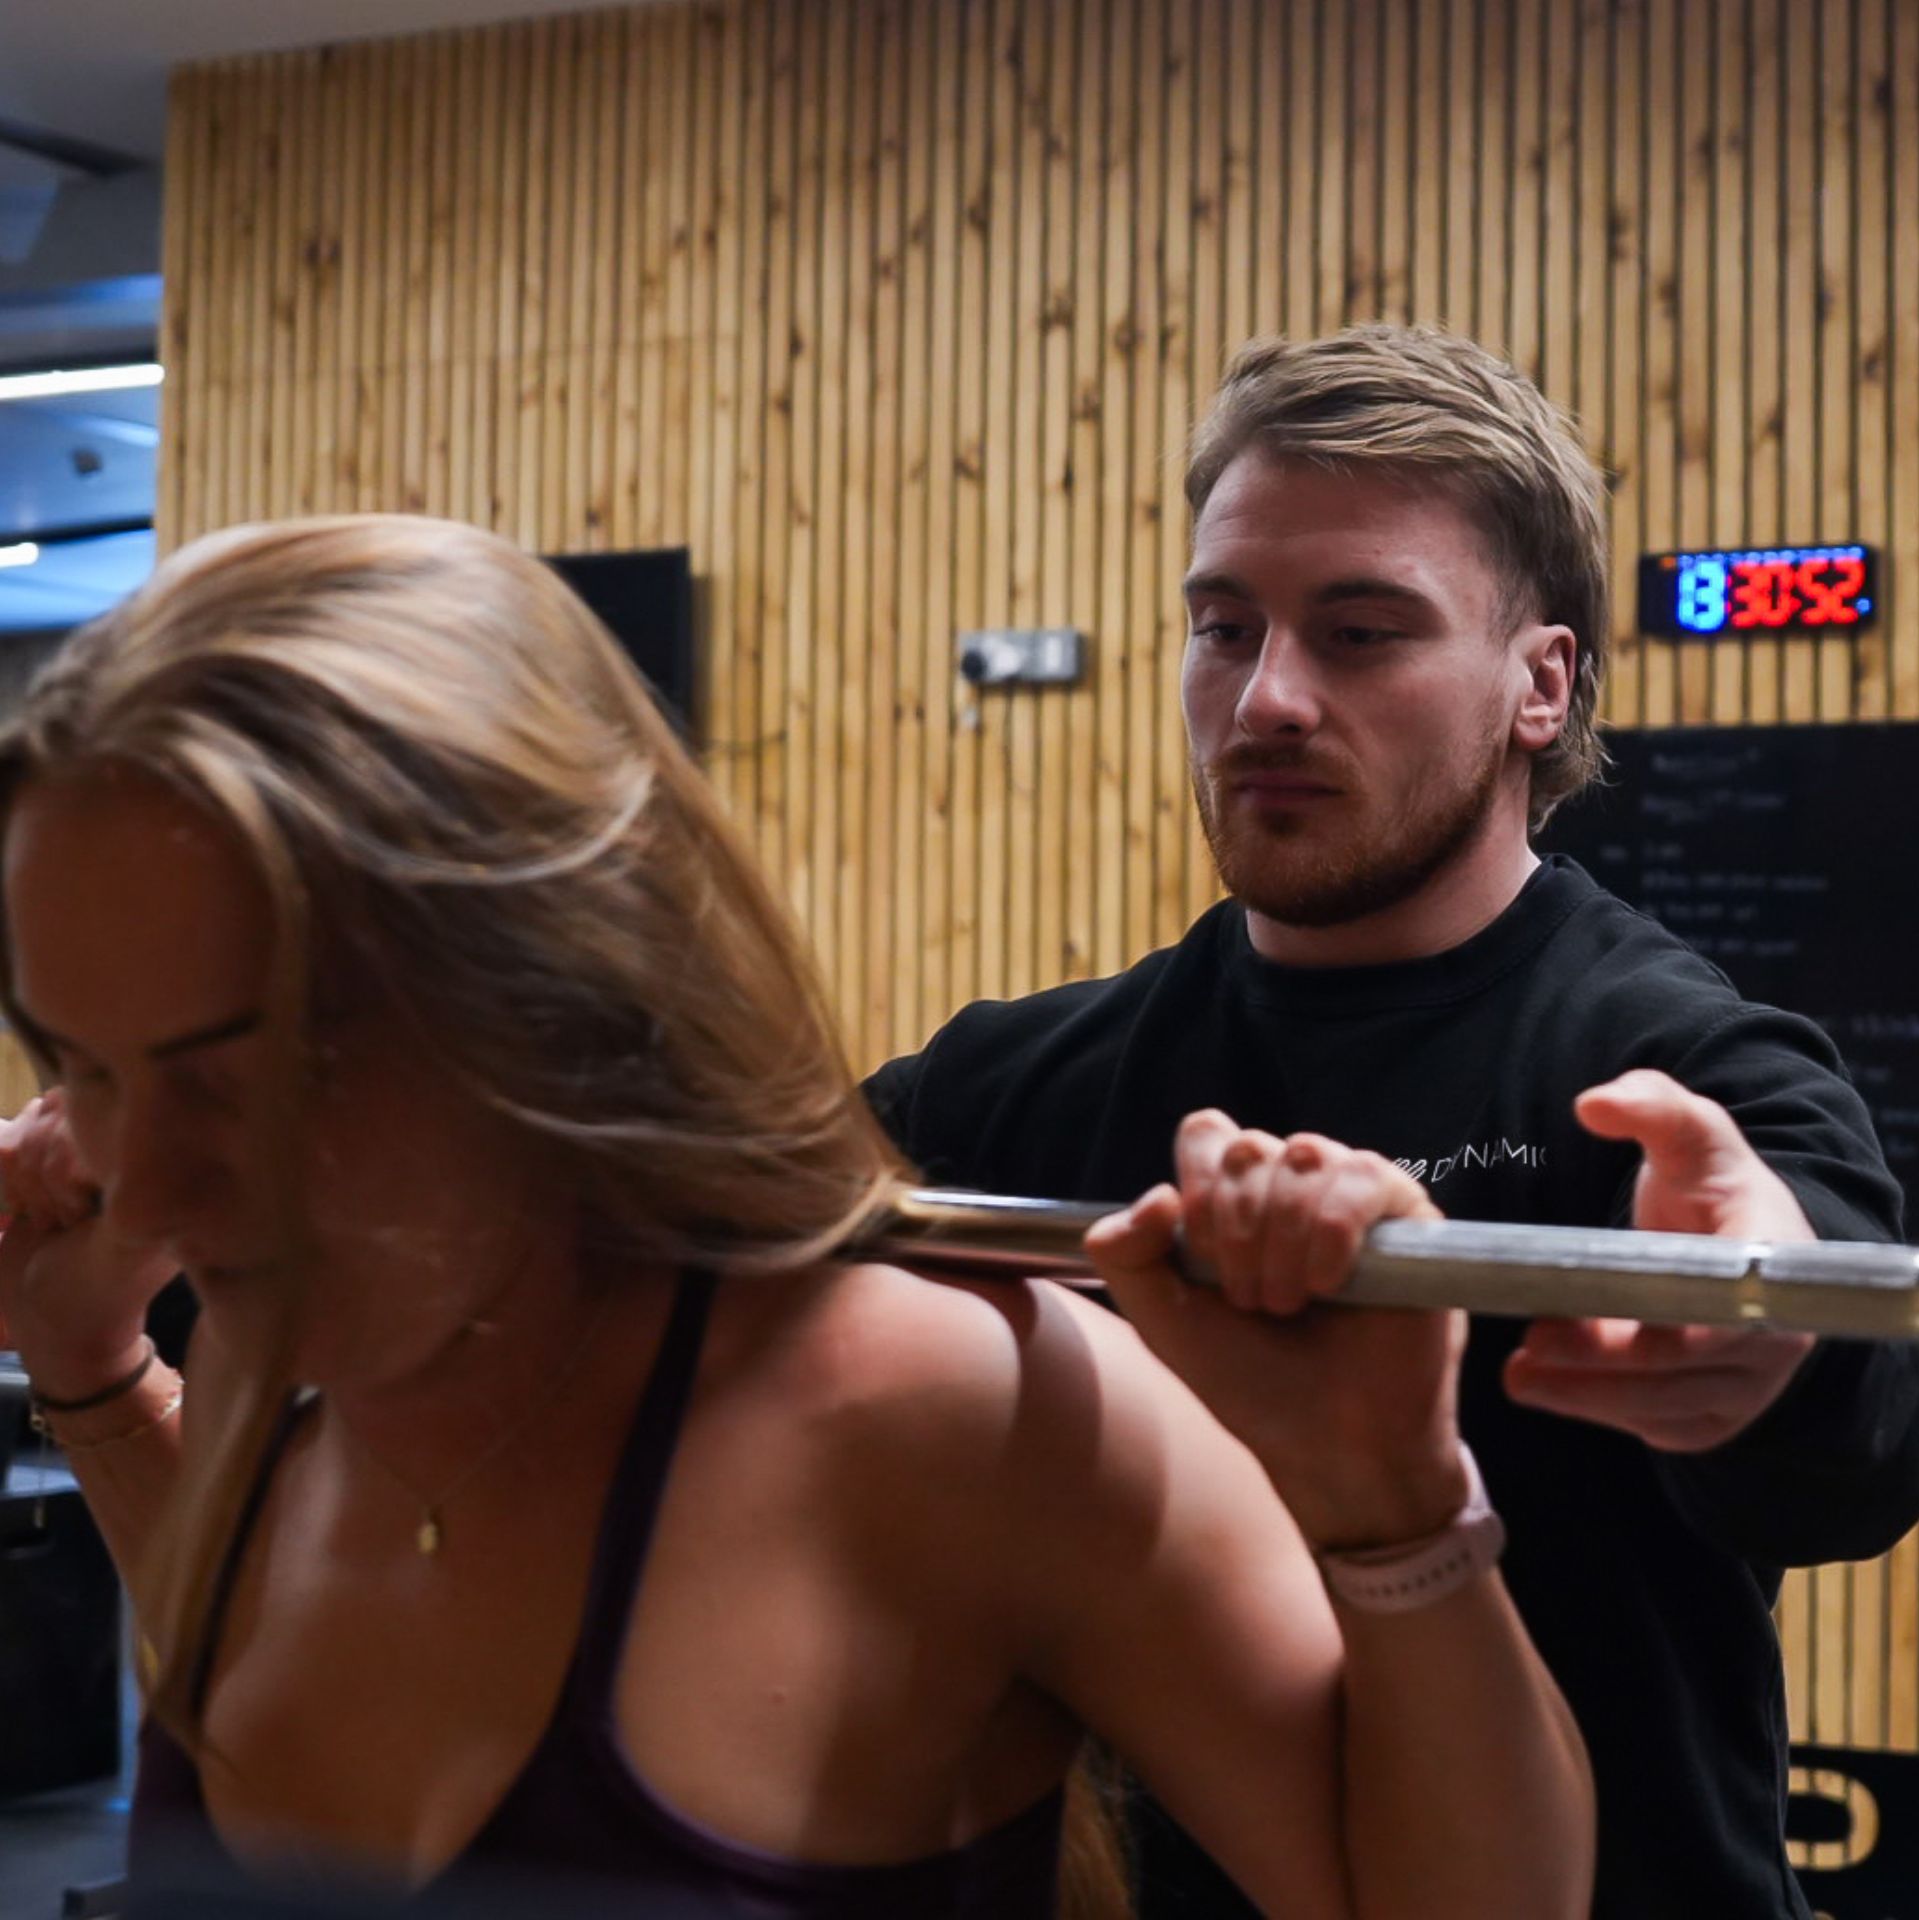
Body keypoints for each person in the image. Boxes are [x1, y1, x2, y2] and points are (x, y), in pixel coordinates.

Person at [0, 514, 1594, 1919]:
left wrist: (1395, 1508)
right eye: (85, 1072)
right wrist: (85, 1365)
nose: (144, 1186)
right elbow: (266, 1674)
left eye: (248, 1074)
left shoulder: (957, 1405)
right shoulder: (291, 1381)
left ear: (544, 981)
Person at [865, 324, 1919, 1920]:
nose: (1268, 698)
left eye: (1359, 634)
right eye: (1225, 629)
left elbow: (1859, 1399)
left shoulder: (1671, 1060)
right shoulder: (1011, 1082)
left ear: (1539, 682)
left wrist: (1772, 1325)